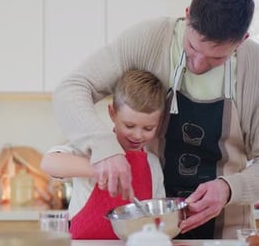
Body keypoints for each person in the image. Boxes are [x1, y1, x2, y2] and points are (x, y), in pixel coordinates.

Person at [52, 0, 259, 240]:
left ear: (242, 40)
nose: (198, 65)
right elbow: (73, 88)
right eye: (193, 48)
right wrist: (104, 148)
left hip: (227, 233)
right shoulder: (149, 40)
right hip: (149, 232)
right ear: (187, 16)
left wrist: (229, 189)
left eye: (216, 58)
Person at [41, 69, 166, 239]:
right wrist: (102, 167)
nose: (138, 135)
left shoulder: (152, 163)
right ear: (112, 113)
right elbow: (49, 163)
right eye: (129, 126)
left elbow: (159, 222)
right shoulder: (95, 147)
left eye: (148, 128)